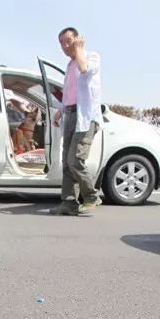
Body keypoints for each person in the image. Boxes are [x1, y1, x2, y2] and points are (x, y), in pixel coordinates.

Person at [50, 26, 103, 215]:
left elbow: (85, 69)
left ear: (78, 39)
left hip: (86, 117)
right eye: (61, 43)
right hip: (70, 114)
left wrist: (79, 49)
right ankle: (69, 203)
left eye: (68, 41)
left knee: (75, 160)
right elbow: (69, 91)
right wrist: (61, 110)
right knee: (66, 162)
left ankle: (92, 196)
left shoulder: (91, 57)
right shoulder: (69, 65)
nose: (65, 46)